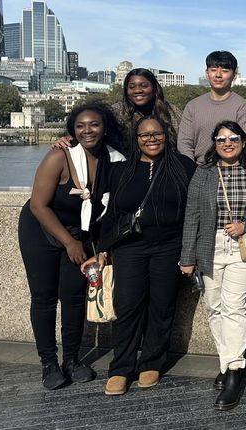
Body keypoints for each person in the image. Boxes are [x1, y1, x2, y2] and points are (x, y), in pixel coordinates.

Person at [18, 102, 124, 390]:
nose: (87, 130)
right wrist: (69, 243)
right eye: (80, 126)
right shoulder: (59, 156)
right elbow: (39, 205)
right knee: (44, 297)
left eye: (94, 124)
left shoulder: (114, 160)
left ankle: (72, 359)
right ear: (72, 130)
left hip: (81, 233)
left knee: (74, 296)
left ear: (105, 128)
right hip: (42, 230)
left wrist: (95, 246)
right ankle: (49, 363)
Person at [89, 116, 195, 396]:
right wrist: (103, 248)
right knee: (128, 308)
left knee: (162, 307)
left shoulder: (183, 166)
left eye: (157, 134)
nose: (151, 139)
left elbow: (193, 210)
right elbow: (108, 212)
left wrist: (191, 251)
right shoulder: (120, 170)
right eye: (144, 135)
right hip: (130, 248)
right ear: (136, 140)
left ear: (166, 136)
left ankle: (152, 362)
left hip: (169, 246)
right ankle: (121, 367)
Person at [180, 121, 246, 411]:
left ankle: (233, 371)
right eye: (221, 139)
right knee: (214, 307)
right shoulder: (204, 173)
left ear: (244, 142)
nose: (227, 143)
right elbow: (192, 215)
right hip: (210, 246)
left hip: (243, 248)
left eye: (233, 138)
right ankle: (226, 361)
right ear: (214, 143)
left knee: (234, 306)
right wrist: (187, 257)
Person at [54, 68, 180, 158]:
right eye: (131, 87)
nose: (137, 90)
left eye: (143, 86)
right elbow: (93, 134)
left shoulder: (172, 112)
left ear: (154, 88)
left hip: (166, 168)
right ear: (126, 91)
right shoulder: (115, 111)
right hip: (126, 170)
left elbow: (185, 144)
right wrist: (70, 139)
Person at [177, 51, 246, 164]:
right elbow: (184, 143)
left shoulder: (243, 108)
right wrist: (191, 169)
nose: (218, 75)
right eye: (213, 70)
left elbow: (244, 144)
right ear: (206, 73)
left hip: (230, 169)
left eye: (225, 71)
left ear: (234, 75)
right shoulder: (192, 106)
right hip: (197, 169)